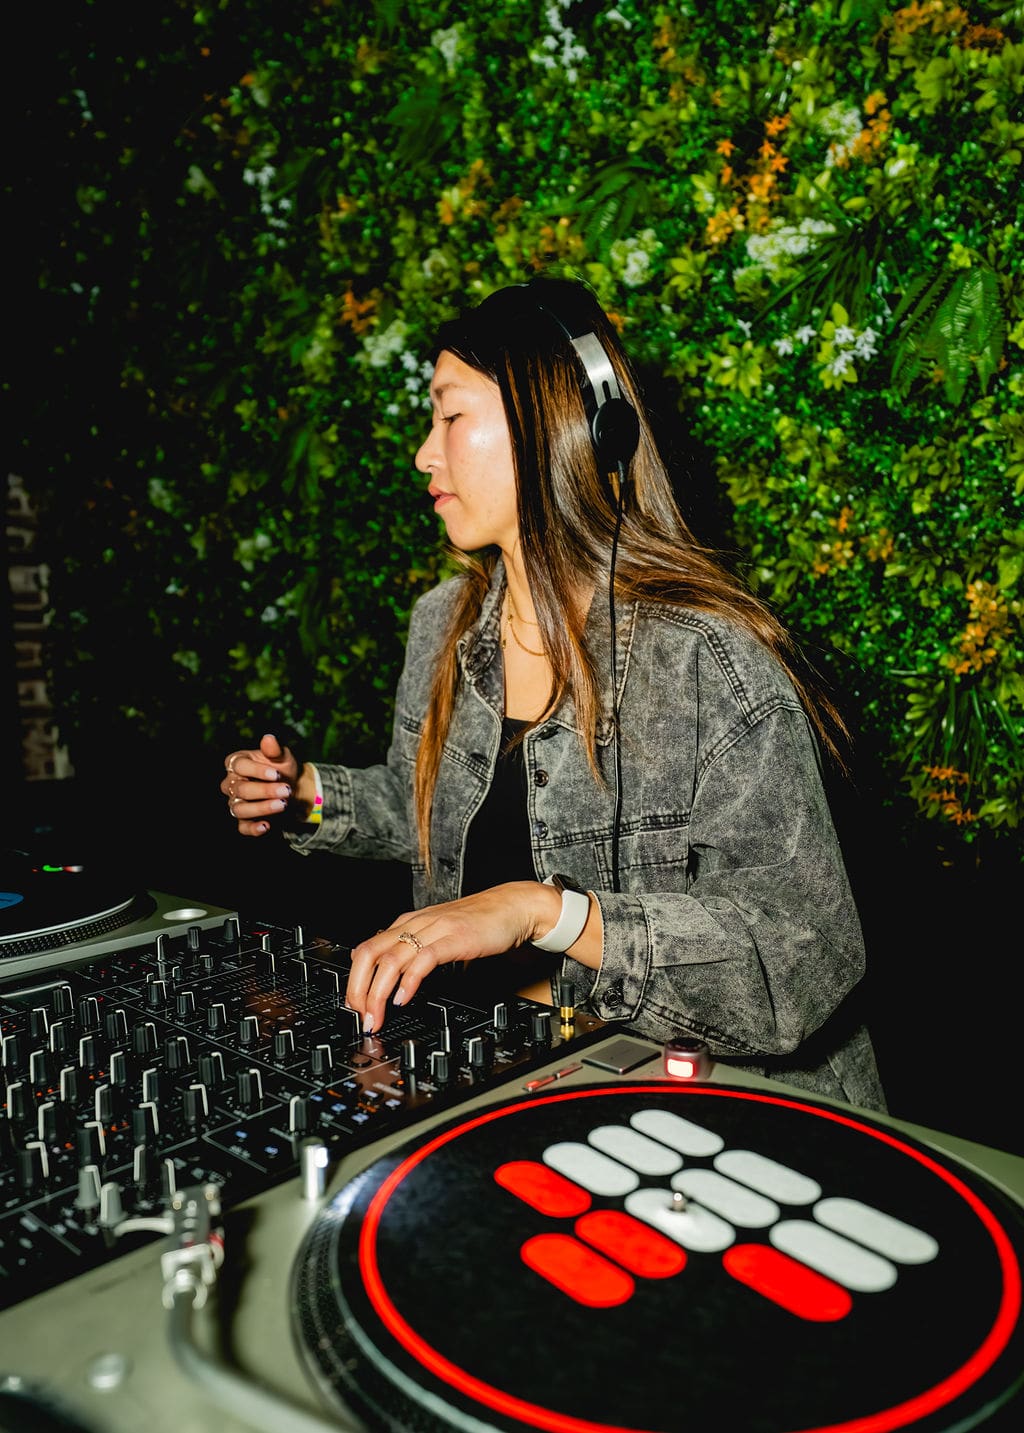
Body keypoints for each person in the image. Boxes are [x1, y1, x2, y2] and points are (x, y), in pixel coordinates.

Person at [220, 275, 885, 1112]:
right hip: (510, 1081)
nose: (424, 453)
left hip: (728, 1111)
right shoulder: (442, 624)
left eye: (449, 416)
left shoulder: (708, 656)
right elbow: (424, 805)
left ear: (550, 425)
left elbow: (802, 957)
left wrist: (547, 913)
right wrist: (307, 796)